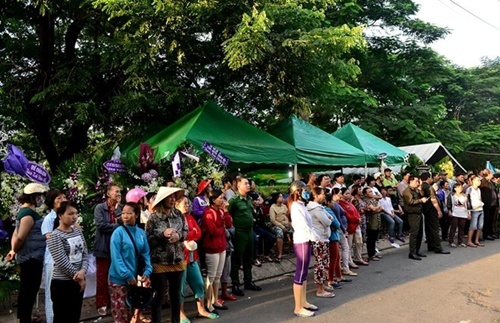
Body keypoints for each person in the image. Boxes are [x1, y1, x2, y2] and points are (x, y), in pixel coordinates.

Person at [6, 183, 48, 323]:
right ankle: (24, 319)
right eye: (40, 197)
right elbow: (20, 236)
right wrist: (15, 249)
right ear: (34, 197)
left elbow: (15, 233)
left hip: (32, 256)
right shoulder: (27, 215)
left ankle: (26, 317)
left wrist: (13, 249)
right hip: (30, 257)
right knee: (28, 289)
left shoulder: (26, 212)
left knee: (28, 289)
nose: (41, 199)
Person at [146, 186, 188, 323]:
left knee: (175, 295)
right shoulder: (153, 218)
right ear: (163, 199)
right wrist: (162, 235)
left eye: (174, 197)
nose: (173, 199)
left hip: (177, 259)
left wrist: (178, 236)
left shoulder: (179, 214)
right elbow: (148, 239)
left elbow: (185, 231)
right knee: (159, 294)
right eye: (170, 197)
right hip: (159, 261)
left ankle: (175, 321)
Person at [175, 196, 218, 322]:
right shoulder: (175, 219)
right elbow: (181, 235)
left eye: (188, 203)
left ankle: (201, 310)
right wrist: (189, 234)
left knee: (199, 284)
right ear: (176, 205)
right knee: (180, 288)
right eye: (184, 204)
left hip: (193, 257)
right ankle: (181, 314)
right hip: (181, 259)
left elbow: (198, 232)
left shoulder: (190, 217)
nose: (187, 206)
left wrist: (188, 235)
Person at [109, 202, 153, 323]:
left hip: (136, 279)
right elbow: (116, 257)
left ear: (137, 214)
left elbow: (146, 253)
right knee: (121, 313)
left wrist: (148, 271)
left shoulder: (141, 233)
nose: (125, 216)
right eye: (123, 213)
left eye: (129, 213)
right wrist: (127, 275)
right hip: (119, 279)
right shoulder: (118, 233)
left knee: (133, 312)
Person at [47, 201, 89, 323]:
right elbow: (61, 260)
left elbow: (84, 254)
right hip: (62, 283)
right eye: (70, 214)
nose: (74, 217)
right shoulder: (55, 235)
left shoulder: (77, 231)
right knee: (62, 317)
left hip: (77, 281)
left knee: (74, 316)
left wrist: (83, 271)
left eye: (76, 213)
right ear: (60, 216)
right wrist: (79, 277)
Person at [288, 181, 319, 317]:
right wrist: (314, 237)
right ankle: (297, 307)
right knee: (300, 273)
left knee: (305, 272)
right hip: (302, 240)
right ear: (297, 192)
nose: (307, 192)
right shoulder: (296, 206)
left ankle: (303, 301)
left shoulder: (301, 205)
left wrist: (314, 236)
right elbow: (302, 226)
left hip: (306, 240)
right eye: (304, 190)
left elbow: (309, 225)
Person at [229, 177, 261, 296]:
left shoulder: (248, 199)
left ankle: (248, 281)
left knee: (249, 257)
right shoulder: (234, 200)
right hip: (239, 232)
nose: (248, 185)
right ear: (238, 186)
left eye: (248, 183)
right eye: (246, 183)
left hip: (249, 231)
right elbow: (229, 215)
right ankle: (235, 284)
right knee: (237, 259)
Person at [94, 183, 122, 315]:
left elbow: (123, 223)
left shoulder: (121, 208)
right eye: (116, 191)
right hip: (103, 247)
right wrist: (116, 225)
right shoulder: (100, 208)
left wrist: (117, 210)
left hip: (117, 247)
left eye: (120, 192)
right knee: (102, 276)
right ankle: (102, 303)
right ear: (108, 193)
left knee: (116, 275)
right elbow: (101, 226)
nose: (118, 194)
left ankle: (115, 301)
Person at [41, 189, 67, 323]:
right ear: (52, 203)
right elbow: (51, 241)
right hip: (53, 261)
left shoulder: (69, 217)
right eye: (59, 199)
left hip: (68, 262)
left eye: (64, 197)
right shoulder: (49, 219)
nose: (63, 200)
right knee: (52, 294)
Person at [203, 189, 229, 313]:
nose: (222, 200)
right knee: (211, 276)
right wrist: (222, 229)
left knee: (217, 275)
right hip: (212, 248)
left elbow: (229, 224)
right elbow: (213, 231)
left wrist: (226, 212)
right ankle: (208, 303)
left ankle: (215, 300)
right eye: (220, 198)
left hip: (221, 246)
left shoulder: (220, 211)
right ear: (213, 200)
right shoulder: (209, 212)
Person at [306, 188, 334, 298]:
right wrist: (330, 219)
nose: (324, 196)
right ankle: (320, 289)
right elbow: (327, 221)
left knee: (323, 262)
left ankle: (322, 285)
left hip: (321, 237)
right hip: (319, 238)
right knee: (321, 264)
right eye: (322, 194)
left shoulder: (316, 207)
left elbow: (329, 218)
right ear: (316, 196)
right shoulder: (316, 208)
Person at [420, 172, 450, 254]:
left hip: (425, 210)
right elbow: (433, 200)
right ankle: (437, 247)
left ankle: (431, 245)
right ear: (428, 178)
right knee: (435, 229)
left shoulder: (421, 187)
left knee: (428, 228)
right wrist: (439, 210)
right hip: (431, 210)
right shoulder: (429, 188)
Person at [402, 176, 428, 260]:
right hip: (412, 214)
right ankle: (412, 252)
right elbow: (410, 201)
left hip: (419, 213)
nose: (418, 183)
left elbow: (421, 196)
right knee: (414, 233)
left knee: (420, 233)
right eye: (417, 181)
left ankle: (417, 250)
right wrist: (420, 200)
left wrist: (420, 190)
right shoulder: (407, 191)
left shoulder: (415, 190)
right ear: (411, 181)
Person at [250, 191, 276, 263]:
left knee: (272, 237)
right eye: (255, 200)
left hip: (258, 227)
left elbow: (261, 221)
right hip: (251, 228)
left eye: (258, 200)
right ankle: (254, 258)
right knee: (255, 240)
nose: (257, 202)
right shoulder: (249, 210)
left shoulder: (259, 209)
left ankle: (266, 254)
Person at [269, 193, 291, 262]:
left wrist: (289, 223)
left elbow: (287, 216)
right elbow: (273, 220)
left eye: (282, 196)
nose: (282, 198)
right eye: (280, 197)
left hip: (286, 224)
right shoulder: (272, 207)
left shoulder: (284, 206)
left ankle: (293, 248)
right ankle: (280, 254)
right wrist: (282, 226)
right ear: (276, 199)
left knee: (296, 230)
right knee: (279, 233)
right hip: (276, 225)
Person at [447, 183, 469, 248]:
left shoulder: (464, 196)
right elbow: (449, 204)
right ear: (455, 188)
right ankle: (451, 241)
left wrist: (468, 213)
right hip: (455, 213)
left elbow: (467, 205)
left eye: (461, 187)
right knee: (453, 227)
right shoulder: (452, 195)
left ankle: (460, 241)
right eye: (458, 187)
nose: (460, 188)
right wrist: (449, 211)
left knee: (461, 228)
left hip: (463, 213)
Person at [363, 187, 382, 261]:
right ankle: (371, 254)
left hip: (377, 220)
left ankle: (374, 252)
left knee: (374, 238)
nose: (371, 193)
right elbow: (373, 209)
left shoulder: (374, 200)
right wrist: (376, 209)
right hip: (371, 222)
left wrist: (376, 209)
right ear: (365, 194)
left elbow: (380, 208)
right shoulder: (366, 201)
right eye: (369, 192)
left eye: (371, 191)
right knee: (370, 238)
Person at [467, 175, 484, 247]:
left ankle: (477, 240)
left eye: (479, 180)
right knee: (473, 226)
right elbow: (467, 201)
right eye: (477, 180)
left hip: (480, 209)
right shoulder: (469, 189)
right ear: (473, 181)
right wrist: (468, 212)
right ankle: (469, 241)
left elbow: (480, 199)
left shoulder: (479, 190)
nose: (479, 182)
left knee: (480, 226)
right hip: (474, 210)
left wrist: (481, 204)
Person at [480, 169, 497, 241]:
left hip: (493, 204)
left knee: (491, 219)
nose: (492, 175)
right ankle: (486, 234)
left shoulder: (490, 182)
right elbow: (484, 194)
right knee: (486, 219)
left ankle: (490, 232)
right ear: (488, 174)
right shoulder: (483, 182)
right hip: (487, 204)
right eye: (491, 174)